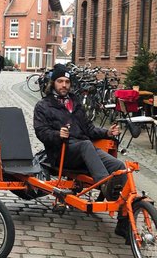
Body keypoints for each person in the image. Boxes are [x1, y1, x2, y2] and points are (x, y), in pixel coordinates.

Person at [33, 64, 129, 240]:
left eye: (67, 82)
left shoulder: (75, 103)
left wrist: (107, 132)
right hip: (61, 153)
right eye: (60, 81)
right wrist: (57, 134)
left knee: (120, 167)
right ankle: (104, 185)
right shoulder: (43, 105)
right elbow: (41, 131)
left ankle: (123, 223)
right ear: (53, 83)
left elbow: (89, 129)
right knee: (86, 145)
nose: (64, 85)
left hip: (85, 151)